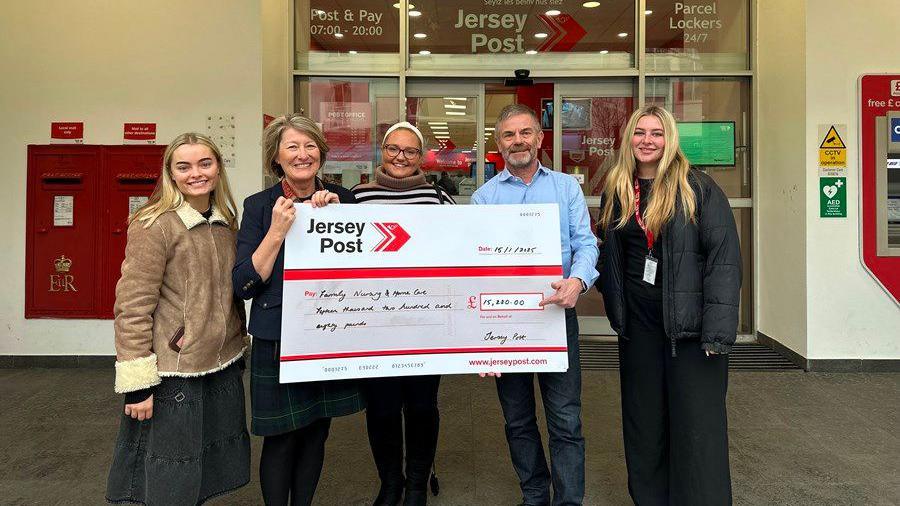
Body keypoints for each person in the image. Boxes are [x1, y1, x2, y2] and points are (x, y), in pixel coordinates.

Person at [595, 105, 741, 505]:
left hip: (691, 330)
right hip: (639, 328)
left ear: (669, 139)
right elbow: (610, 252)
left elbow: (723, 259)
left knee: (697, 427)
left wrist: (717, 333)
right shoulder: (618, 188)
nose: (647, 140)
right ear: (629, 140)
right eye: (640, 132)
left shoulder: (698, 187)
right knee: (645, 425)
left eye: (656, 133)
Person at [106, 133, 250, 505]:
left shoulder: (226, 223)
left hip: (219, 365)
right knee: (170, 474)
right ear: (170, 173)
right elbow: (133, 305)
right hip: (175, 370)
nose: (195, 174)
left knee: (202, 471)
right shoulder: (154, 224)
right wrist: (138, 383)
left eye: (205, 163)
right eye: (183, 166)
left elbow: (228, 294)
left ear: (218, 168)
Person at [232, 114, 364, 506]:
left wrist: (339, 217)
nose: (303, 155)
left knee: (316, 430)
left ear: (321, 154)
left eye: (310, 146)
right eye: (292, 146)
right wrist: (276, 231)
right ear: (277, 157)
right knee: (281, 436)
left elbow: (362, 273)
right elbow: (243, 284)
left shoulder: (346, 198)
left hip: (329, 332)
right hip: (279, 337)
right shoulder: (259, 206)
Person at [472, 104, 599, 506]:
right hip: (504, 324)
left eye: (526, 132)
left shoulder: (565, 188)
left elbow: (586, 243)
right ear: (498, 144)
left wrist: (579, 280)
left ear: (540, 139)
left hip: (557, 317)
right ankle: (534, 496)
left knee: (565, 419)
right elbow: (475, 268)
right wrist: (480, 344)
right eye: (509, 135)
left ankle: (568, 501)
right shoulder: (483, 199)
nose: (518, 141)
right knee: (518, 420)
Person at [351, 121, 454, 506]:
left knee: (422, 404)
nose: (400, 157)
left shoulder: (439, 198)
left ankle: (415, 483)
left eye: (410, 151)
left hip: (425, 322)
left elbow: (456, 254)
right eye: (394, 149)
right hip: (374, 324)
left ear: (421, 156)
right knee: (381, 405)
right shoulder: (358, 198)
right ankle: (390, 482)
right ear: (382, 150)